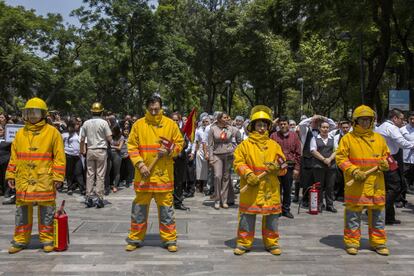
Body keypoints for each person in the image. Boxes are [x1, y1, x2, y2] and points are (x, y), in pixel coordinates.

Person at [5, 97, 66, 254]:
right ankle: (20, 240)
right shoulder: (20, 134)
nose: (32, 115)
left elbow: (59, 157)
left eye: (36, 112)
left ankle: (47, 239)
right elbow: (14, 156)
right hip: (23, 178)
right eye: (29, 112)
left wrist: (58, 177)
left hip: (44, 178)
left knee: (47, 210)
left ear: (44, 114)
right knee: (21, 211)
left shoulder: (53, 133)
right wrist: (10, 174)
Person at [125, 94, 184, 253]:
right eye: (151, 109)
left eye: (156, 109)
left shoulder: (170, 125)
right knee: (139, 210)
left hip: (163, 177)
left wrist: (170, 150)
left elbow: (179, 144)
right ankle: (135, 238)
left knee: (166, 211)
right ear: (147, 108)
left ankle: (169, 239)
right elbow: (131, 146)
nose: (153, 111)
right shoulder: (138, 125)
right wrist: (140, 164)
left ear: (161, 108)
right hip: (143, 176)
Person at [336, 105, 391, 256]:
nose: (365, 123)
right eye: (362, 120)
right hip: (357, 185)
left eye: (368, 120)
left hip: (376, 184)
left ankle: (379, 243)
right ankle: (352, 242)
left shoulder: (379, 139)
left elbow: (386, 155)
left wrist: (386, 163)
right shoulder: (348, 139)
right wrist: (353, 170)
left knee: (378, 216)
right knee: (353, 216)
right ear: (356, 121)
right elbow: (340, 158)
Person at [233, 105, 287, 256]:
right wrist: (248, 174)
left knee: (271, 218)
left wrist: (277, 168)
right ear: (252, 126)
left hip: (270, 189)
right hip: (251, 187)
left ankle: (272, 243)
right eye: (259, 125)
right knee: (247, 217)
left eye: (264, 125)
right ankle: (243, 243)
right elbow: (238, 163)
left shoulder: (274, 145)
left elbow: (284, 166)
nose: (262, 128)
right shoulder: (244, 145)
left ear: (268, 126)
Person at [376, 109, 414, 224]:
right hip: (388, 159)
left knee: (389, 187)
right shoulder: (391, 128)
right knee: (396, 187)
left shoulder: (382, 126)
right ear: (395, 118)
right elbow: (402, 143)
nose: (403, 122)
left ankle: (389, 216)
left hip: (387, 158)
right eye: (401, 119)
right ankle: (378, 209)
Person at [80, 102, 112, 208]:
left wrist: (82, 150)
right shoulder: (104, 123)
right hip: (101, 150)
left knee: (90, 174)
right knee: (100, 175)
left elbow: (82, 139)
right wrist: (115, 144)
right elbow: (109, 138)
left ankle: (88, 197)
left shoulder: (86, 123)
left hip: (90, 150)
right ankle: (99, 198)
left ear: (92, 111)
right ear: (102, 112)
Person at [270, 116, 301, 218]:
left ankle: (286, 210)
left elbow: (298, 154)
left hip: (289, 166)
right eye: (281, 124)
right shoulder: (274, 136)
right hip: (277, 167)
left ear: (288, 124)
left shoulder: (295, 136)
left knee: (287, 189)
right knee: (276, 189)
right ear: (278, 125)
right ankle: (277, 209)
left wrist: (297, 169)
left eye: (285, 124)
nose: (283, 126)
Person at [208, 112, 238, 209]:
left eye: (228, 118)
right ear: (219, 118)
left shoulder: (230, 128)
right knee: (218, 176)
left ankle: (224, 200)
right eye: (225, 117)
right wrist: (211, 158)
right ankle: (217, 200)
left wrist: (235, 147)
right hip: (217, 155)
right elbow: (210, 145)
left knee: (226, 177)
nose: (227, 119)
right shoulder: (212, 129)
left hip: (229, 155)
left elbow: (240, 133)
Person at [310, 121, 337, 212]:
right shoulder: (314, 138)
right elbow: (313, 151)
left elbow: (336, 151)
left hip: (331, 165)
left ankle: (330, 205)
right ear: (319, 128)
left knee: (330, 186)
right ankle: (320, 204)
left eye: (327, 127)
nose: (325, 129)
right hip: (318, 166)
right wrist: (324, 160)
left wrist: (329, 159)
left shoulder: (333, 138)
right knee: (319, 186)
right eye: (323, 127)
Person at [62, 118, 85, 195]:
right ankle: (69, 188)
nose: (78, 126)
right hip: (68, 155)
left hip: (77, 155)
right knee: (69, 172)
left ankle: (82, 188)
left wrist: (82, 151)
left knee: (79, 172)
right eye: (76, 125)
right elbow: (61, 145)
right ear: (71, 126)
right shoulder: (64, 134)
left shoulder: (78, 133)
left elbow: (81, 142)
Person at [401, 111, 414, 197]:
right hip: (406, 159)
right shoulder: (402, 130)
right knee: (404, 178)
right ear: (408, 119)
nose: (413, 121)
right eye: (411, 119)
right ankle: (402, 199)